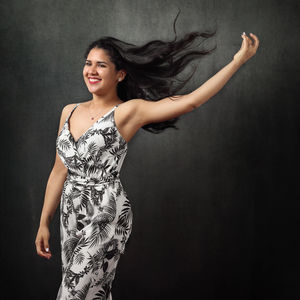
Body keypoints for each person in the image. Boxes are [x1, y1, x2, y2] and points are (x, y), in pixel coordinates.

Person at [35, 10, 259, 300]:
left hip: (106, 210)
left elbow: (189, 102)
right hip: (70, 211)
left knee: (73, 294)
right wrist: (43, 221)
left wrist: (236, 61)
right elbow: (58, 171)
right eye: (88, 63)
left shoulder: (129, 111)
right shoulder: (69, 111)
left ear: (120, 74)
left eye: (101, 65)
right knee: (94, 294)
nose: (91, 70)